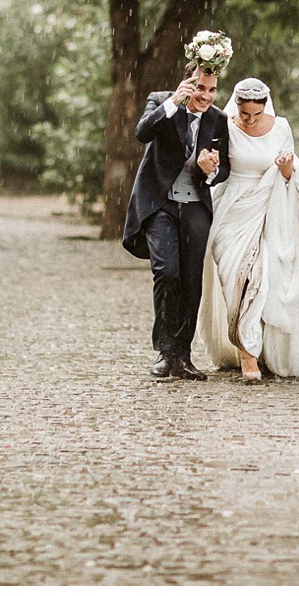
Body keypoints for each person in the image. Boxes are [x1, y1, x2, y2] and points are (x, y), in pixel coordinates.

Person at [196, 78, 299, 381]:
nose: (250, 120)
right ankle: (245, 348)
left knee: (268, 276)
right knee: (236, 275)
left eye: (256, 115)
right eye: (245, 114)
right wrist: (210, 167)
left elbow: (291, 173)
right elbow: (216, 167)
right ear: (237, 105)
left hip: (272, 207)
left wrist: (286, 170)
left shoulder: (281, 127)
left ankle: (257, 352)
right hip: (233, 208)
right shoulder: (224, 125)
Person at [122, 61, 232, 380]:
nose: (207, 96)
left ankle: (183, 355)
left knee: (191, 281)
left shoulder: (218, 120)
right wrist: (173, 103)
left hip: (196, 206)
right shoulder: (161, 101)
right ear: (187, 84)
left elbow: (224, 167)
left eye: (212, 89)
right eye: (200, 88)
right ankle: (164, 351)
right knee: (167, 272)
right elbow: (143, 132)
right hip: (161, 203)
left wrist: (211, 168)